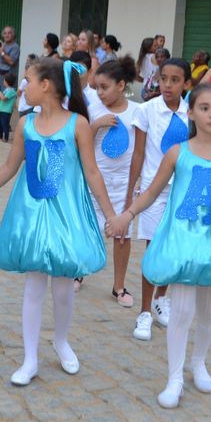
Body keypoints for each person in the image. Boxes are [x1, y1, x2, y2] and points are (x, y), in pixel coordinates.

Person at [106, 83, 211, 409]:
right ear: (190, 113)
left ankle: (199, 362)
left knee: (209, 311)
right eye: (204, 108)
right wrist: (127, 215)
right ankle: (174, 376)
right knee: (183, 310)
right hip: (182, 241)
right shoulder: (178, 153)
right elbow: (150, 192)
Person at [0, 57, 115, 386]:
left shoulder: (77, 124)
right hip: (33, 214)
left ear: (46, 86)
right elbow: (11, 166)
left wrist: (110, 214)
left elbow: (91, 171)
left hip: (66, 214)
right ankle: (30, 358)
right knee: (34, 285)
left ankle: (61, 340)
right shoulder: (26, 124)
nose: (23, 86)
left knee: (64, 287)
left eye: (28, 80)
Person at [126, 58, 191, 340]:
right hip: (154, 189)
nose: (167, 84)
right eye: (163, 78)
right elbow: (138, 153)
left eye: (175, 80)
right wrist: (131, 190)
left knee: (172, 249)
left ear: (186, 84)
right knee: (154, 250)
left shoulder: (193, 113)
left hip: (182, 191)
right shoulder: (147, 110)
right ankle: (144, 312)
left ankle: (161, 299)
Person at [89, 57, 143, 308]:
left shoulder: (136, 112)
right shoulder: (93, 110)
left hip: (123, 183)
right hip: (96, 181)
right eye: (97, 87)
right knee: (90, 228)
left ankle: (118, 286)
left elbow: (138, 153)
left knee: (122, 235)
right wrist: (95, 126)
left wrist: (132, 189)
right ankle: (80, 271)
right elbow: (82, 146)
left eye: (104, 87)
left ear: (121, 85)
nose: (99, 93)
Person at [0, 71, 18, 142]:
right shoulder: (7, 90)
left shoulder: (11, 91)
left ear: (7, 81)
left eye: (4, 80)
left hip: (6, 111)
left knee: (5, 124)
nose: (3, 81)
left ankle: (6, 138)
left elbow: (4, 98)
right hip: (2, 109)